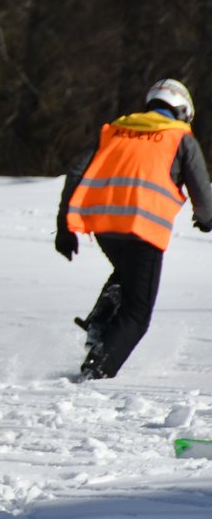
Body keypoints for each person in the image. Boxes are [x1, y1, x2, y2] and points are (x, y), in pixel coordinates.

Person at [57, 78, 212, 381]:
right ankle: (96, 370)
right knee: (137, 313)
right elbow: (201, 189)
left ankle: (100, 320)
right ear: (182, 111)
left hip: (103, 227)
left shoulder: (113, 132)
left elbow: (76, 171)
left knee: (128, 275)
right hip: (144, 229)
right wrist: (206, 218)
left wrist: (64, 225)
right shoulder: (180, 139)